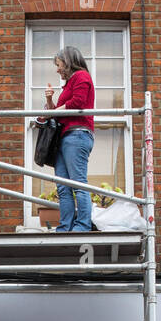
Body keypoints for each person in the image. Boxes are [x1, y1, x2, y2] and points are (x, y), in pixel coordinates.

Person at [44, 46, 95, 233]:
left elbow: (77, 103)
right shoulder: (69, 84)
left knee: (77, 184)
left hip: (77, 134)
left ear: (67, 61)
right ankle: (65, 227)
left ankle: (82, 226)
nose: (57, 69)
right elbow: (58, 113)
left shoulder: (81, 76)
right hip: (65, 136)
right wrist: (50, 102)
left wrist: (50, 113)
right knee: (64, 187)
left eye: (58, 65)